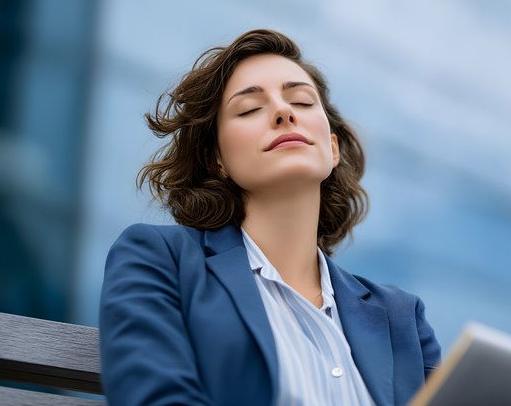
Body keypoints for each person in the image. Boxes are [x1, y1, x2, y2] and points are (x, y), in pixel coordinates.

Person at [99, 29, 441, 406]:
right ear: (217, 158)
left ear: (332, 148)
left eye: (302, 101)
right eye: (249, 109)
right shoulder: (160, 260)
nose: (284, 112)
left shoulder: (402, 317)